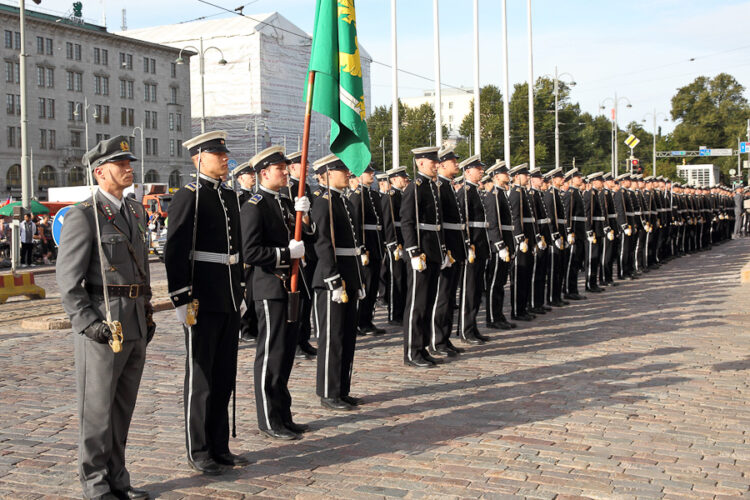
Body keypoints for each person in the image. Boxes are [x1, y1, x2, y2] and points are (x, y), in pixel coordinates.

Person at [56, 135, 154, 500]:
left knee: (122, 410)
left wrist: (146, 310)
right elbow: (68, 282)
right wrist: (88, 323)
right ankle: (96, 485)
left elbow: (140, 270)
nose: (129, 168)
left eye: (129, 162)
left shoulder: (135, 212)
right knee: (96, 413)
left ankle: (118, 479)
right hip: (104, 323)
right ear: (100, 172)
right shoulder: (84, 216)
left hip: (134, 322)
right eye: (121, 164)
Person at [165, 130, 249, 475]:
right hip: (202, 297)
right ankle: (198, 449)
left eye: (226, 155)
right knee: (200, 378)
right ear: (199, 158)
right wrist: (182, 297)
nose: (226, 159)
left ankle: (220, 445)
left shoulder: (228, 196)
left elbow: (237, 248)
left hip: (228, 295)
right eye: (219, 155)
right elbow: (175, 250)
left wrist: (241, 291)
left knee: (224, 374)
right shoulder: (190, 196)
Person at [242, 146, 314, 438]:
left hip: (292, 287)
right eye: (281, 169)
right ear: (264, 173)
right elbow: (250, 250)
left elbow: (307, 237)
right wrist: (285, 254)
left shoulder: (285, 202)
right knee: (270, 355)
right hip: (270, 287)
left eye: (286, 168)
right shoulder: (254, 206)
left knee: (285, 355)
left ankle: (283, 414)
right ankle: (269, 420)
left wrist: (305, 217)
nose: (286, 172)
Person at [311, 153, 365, 410]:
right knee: (331, 337)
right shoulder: (323, 202)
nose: (348, 174)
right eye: (342, 170)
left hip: (349, 276)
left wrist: (357, 279)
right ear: (327, 174)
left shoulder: (342, 201)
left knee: (346, 337)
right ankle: (328, 392)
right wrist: (333, 279)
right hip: (331, 280)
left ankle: (342, 389)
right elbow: (323, 244)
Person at [401, 146, 449, 368]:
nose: (436, 165)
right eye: (432, 161)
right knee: (417, 305)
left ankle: (421, 348)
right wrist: (412, 251)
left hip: (433, 251)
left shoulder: (432, 186)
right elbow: (408, 221)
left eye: (437, 161)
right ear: (420, 163)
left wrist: (442, 250)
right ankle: (411, 352)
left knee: (428, 302)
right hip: (421, 252)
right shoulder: (415, 187)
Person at [429, 147, 467, 357]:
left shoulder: (448, 186)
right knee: (442, 297)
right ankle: (437, 340)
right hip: (447, 249)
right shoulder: (438, 187)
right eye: (453, 161)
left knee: (450, 297)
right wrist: (443, 250)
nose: (457, 164)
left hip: (455, 248)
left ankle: (445, 338)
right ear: (443, 164)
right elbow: (439, 223)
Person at [285, 151, 318, 358]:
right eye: (301, 165)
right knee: (298, 299)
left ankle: (304, 338)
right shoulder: (289, 190)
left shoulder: (305, 188)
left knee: (307, 298)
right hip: (296, 250)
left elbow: (309, 219)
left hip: (309, 249)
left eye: (306, 164)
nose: (305, 168)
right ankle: (295, 340)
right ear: (292, 168)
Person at [348, 164, 386, 337]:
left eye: (372, 172)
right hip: (367, 246)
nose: (372, 175)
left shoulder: (374, 195)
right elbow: (356, 225)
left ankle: (367, 320)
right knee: (366, 286)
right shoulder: (357, 196)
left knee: (373, 287)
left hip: (376, 244)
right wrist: (361, 248)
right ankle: (360, 321)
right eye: (368, 172)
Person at [456, 155, 491, 344]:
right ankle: (465, 329)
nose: (482, 172)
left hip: (481, 247)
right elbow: (463, 222)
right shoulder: (465, 192)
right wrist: (467, 244)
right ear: (468, 171)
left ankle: (473, 327)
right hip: (472, 248)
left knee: (477, 290)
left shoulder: (477, 191)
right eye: (478, 169)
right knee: (469, 291)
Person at [483, 160, 517, 329]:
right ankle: (492, 318)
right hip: (499, 247)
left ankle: (499, 315)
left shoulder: (502, 194)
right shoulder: (493, 196)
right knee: (494, 283)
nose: (508, 176)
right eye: (505, 173)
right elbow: (493, 223)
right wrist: (500, 245)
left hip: (506, 244)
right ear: (496, 176)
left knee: (501, 283)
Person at [233, 160, 259, 343]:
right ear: (240, 178)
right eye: (249, 175)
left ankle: (253, 326)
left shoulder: (256, 197)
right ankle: (245, 327)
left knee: (254, 291)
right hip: (244, 251)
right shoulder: (238, 198)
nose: (253, 177)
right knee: (245, 292)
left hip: (253, 251)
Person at [381, 166, 409, 326]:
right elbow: (388, 222)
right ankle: (393, 314)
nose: (405, 179)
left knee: (403, 278)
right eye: (402, 177)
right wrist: (392, 243)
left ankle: (401, 310)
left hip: (404, 241)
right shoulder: (390, 197)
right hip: (396, 243)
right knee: (396, 278)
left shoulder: (402, 195)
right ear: (393, 180)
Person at [509, 164, 536, 321]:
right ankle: (517, 310)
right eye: (525, 175)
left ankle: (523, 308)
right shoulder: (516, 193)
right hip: (521, 241)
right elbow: (515, 218)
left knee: (526, 275)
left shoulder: (523, 193)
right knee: (519, 276)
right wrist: (519, 238)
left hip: (528, 238)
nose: (528, 178)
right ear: (517, 176)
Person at [561, 168, 587, 301]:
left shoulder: (577, 193)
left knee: (576, 262)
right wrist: (569, 231)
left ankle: (574, 289)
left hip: (580, 232)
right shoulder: (570, 194)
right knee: (571, 263)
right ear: (571, 179)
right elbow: (567, 214)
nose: (580, 179)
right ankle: (568, 290)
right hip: (575, 232)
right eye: (578, 177)